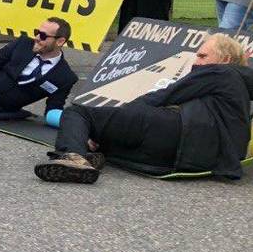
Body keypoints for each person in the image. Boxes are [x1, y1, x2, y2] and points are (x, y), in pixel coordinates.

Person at [34, 34, 253, 183]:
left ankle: (73, 156)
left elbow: (164, 96)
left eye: (202, 56)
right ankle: (87, 155)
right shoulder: (239, 92)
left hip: (173, 131)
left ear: (224, 59)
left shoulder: (220, 72)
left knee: (79, 112)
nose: (196, 62)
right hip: (186, 160)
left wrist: (125, 113)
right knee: (104, 146)